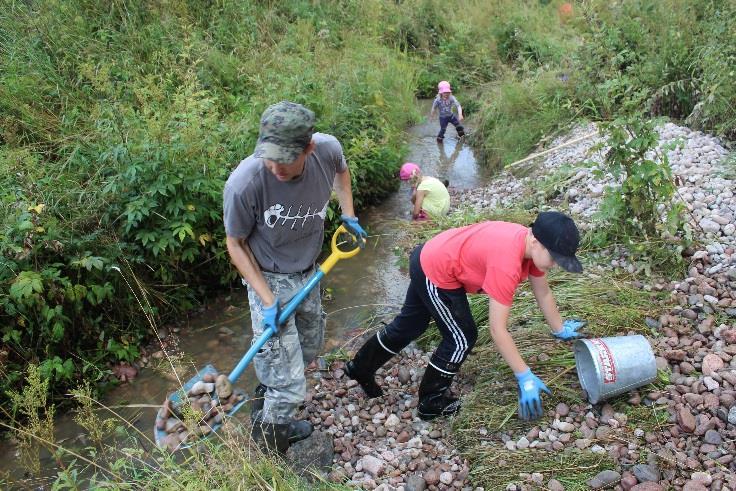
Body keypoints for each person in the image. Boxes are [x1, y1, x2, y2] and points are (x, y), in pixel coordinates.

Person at [223, 101, 367, 453]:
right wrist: (266, 300)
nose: (275, 167)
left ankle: (267, 403)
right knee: (289, 386)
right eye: (269, 156)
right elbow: (235, 245)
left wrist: (347, 212)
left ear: (308, 148)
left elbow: (341, 172)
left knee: (308, 348)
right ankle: (268, 452)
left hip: (309, 273)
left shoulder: (327, 149)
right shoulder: (244, 184)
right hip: (267, 278)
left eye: (285, 158)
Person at [344, 211, 586, 421]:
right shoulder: (507, 263)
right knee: (462, 338)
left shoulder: (530, 248)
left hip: (432, 256)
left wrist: (559, 329)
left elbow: (543, 293)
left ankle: (360, 368)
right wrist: (525, 376)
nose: (555, 264)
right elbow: (498, 330)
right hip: (437, 271)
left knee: (409, 326)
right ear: (535, 239)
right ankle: (431, 403)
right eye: (554, 258)